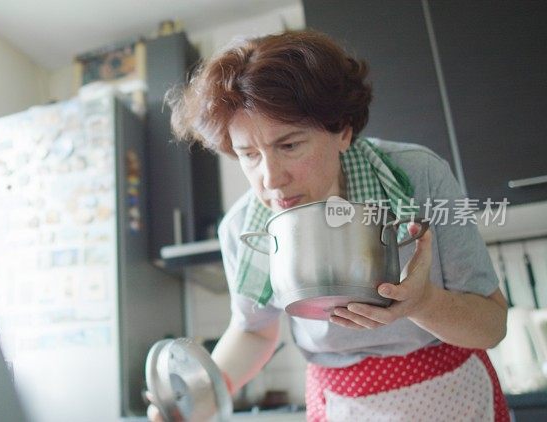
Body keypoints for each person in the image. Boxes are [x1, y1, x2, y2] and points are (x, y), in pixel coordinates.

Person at [148, 30, 510, 421]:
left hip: (452, 392)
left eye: (289, 146)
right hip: (340, 404)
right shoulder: (242, 228)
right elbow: (254, 331)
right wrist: (203, 393)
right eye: (249, 155)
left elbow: (491, 325)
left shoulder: (417, 176)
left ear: (343, 131)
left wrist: (423, 303)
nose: (270, 179)